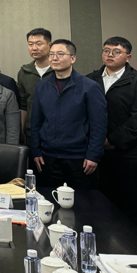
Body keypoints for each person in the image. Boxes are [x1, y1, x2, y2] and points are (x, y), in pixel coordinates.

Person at [86, 37, 137, 230]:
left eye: (116, 52)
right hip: (95, 153)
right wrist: (96, 141)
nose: (110, 55)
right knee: (98, 201)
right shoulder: (90, 79)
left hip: (128, 154)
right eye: (106, 50)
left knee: (131, 204)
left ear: (128, 57)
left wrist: (111, 140)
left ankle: (134, 244)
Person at [30, 39, 107, 189]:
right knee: (48, 199)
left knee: (82, 201)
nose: (54, 58)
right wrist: (36, 151)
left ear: (73, 58)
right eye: (51, 54)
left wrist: (93, 155)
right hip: (48, 157)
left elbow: (99, 125)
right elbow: (36, 122)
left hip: (79, 158)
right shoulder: (41, 87)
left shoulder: (90, 87)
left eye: (60, 54)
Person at [16, 28, 54, 142]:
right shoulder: (24, 72)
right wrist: (22, 131)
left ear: (50, 45)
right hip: (31, 132)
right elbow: (23, 104)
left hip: (56, 131)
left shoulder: (59, 70)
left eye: (39, 44)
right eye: (30, 44)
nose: (34, 48)